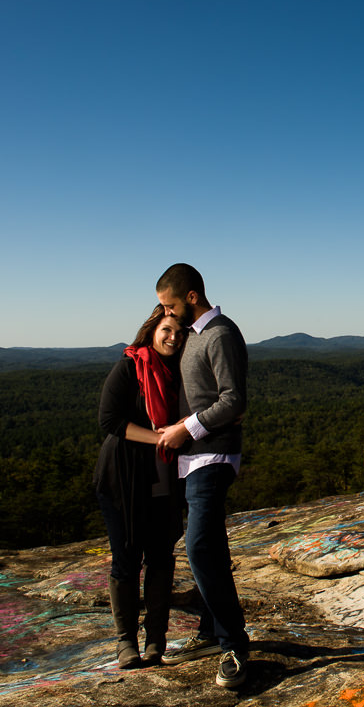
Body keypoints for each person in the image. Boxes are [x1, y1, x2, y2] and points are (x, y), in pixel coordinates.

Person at [153, 263, 250, 689]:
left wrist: (184, 428)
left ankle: (235, 644)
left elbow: (234, 400)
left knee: (197, 546)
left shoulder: (221, 334)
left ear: (191, 296)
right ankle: (211, 631)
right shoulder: (192, 337)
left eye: (170, 305)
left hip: (214, 455)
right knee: (209, 544)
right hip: (191, 458)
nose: (166, 314)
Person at [95, 306, 186, 668]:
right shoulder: (131, 366)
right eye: (167, 330)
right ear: (152, 330)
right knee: (127, 558)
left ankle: (156, 641)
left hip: (165, 478)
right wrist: (159, 438)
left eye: (179, 333)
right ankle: (125, 642)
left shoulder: (180, 371)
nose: (173, 338)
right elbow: (109, 419)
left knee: (162, 558)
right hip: (123, 477)